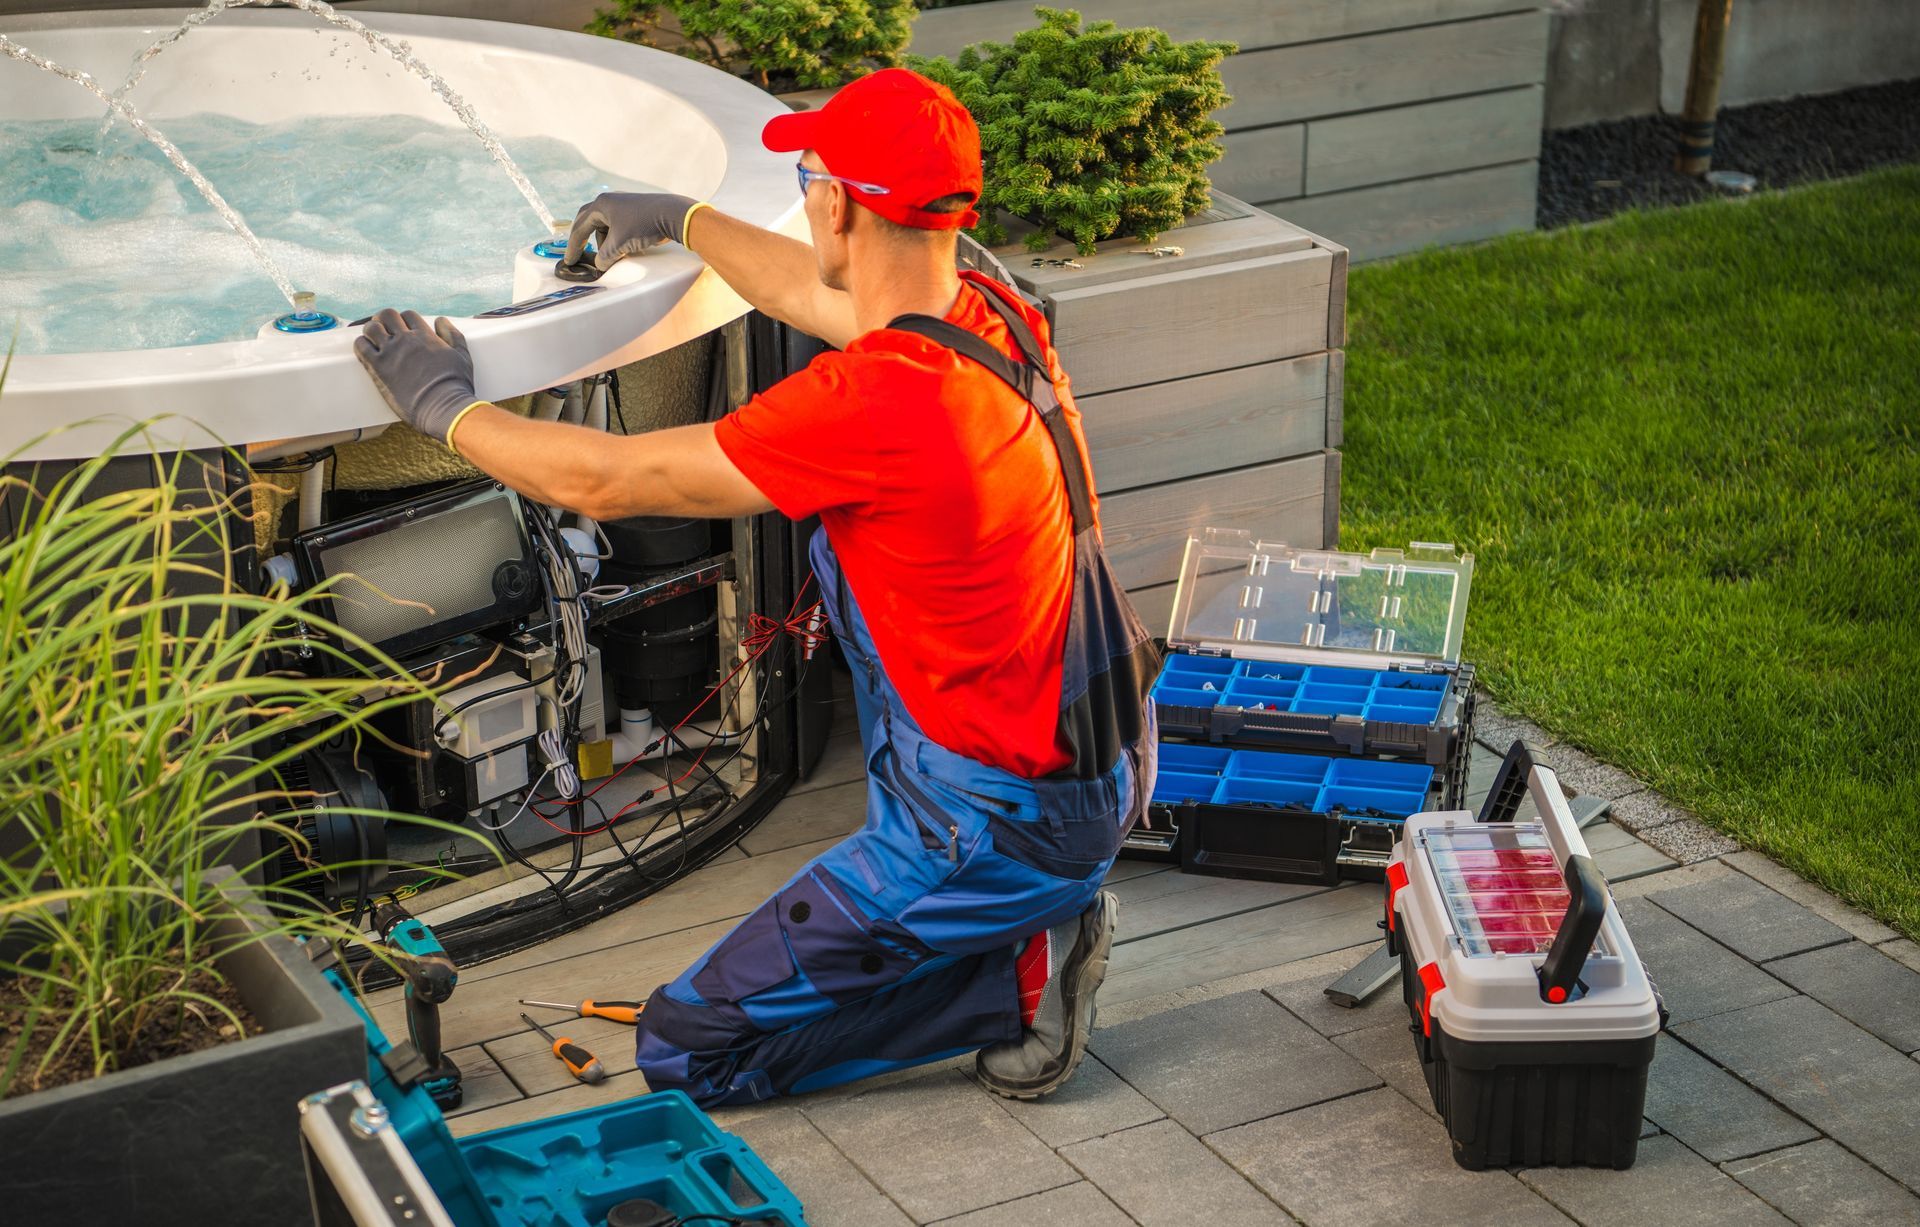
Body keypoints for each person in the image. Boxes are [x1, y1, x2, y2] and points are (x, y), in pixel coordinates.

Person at [353, 68, 1159, 1107]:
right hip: (1088, 741)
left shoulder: (877, 405)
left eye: (811, 175)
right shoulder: (986, 310)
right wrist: (679, 219)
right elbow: (811, 291)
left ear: (833, 204)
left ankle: (1018, 978)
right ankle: (1017, 911)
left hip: (998, 817)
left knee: (688, 1051)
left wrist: (444, 409)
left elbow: (607, 478)